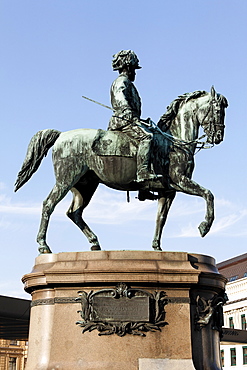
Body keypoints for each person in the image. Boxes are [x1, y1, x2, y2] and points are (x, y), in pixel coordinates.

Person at [108, 50, 161, 183]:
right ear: (127, 67)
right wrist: (127, 112)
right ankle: (143, 172)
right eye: (133, 69)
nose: (135, 72)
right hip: (123, 120)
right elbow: (121, 98)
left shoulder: (128, 83)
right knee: (147, 137)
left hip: (129, 119)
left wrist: (140, 120)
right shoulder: (122, 81)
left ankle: (144, 188)